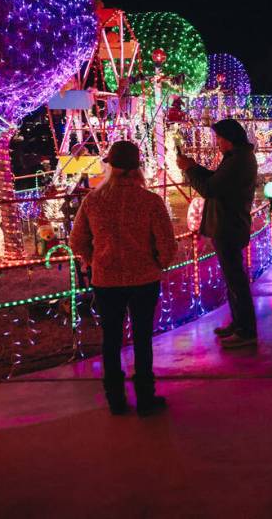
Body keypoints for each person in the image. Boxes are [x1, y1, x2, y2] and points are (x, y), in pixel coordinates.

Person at [69, 141, 176, 416]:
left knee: (111, 339)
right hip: (143, 279)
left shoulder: (93, 201)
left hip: (106, 280)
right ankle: (145, 398)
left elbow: (77, 240)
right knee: (142, 338)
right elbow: (167, 246)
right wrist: (158, 263)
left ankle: (115, 399)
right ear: (137, 168)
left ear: (111, 167)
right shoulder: (150, 201)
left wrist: (95, 260)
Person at [177, 119, 259, 349]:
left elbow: (210, 188)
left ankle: (246, 330)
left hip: (228, 225)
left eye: (220, 138)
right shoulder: (237, 157)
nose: (218, 143)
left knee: (236, 280)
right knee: (233, 279)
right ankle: (239, 323)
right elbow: (216, 180)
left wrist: (190, 170)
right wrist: (194, 167)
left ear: (230, 138)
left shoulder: (239, 160)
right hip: (228, 223)